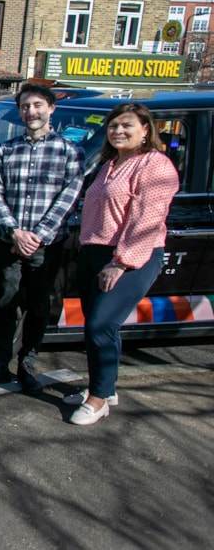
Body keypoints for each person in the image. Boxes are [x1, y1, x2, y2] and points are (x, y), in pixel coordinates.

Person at [66, 103, 177, 426]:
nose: (118, 131)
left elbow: (147, 219)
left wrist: (121, 262)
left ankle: (99, 401)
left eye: (127, 125)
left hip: (130, 257)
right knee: (96, 326)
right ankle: (102, 387)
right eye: (113, 126)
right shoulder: (109, 164)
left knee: (102, 324)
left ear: (146, 129)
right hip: (95, 252)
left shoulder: (155, 165)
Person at [0, 83, 84, 394]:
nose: (30, 111)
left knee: (37, 306)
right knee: (6, 303)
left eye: (36, 105)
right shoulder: (6, 151)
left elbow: (69, 198)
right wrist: (15, 232)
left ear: (50, 108)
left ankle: (27, 364)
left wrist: (38, 235)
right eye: (24, 106)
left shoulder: (69, 152)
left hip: (47, 245)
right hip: (11, 241)